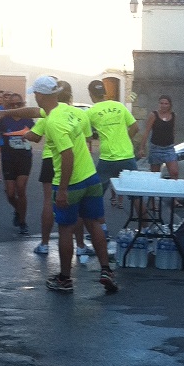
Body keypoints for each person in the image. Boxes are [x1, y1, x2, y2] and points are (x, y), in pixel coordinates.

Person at [29, 75, 117, 295]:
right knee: (94, 223)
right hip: (91, 176)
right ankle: (106, 271)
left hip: (71, 182)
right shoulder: (78, 112)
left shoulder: (52, 122)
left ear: (41, 95)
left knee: (66, 229)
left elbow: (67, 155)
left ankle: (65, 279)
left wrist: (64, 189)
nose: (35, 98)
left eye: (35, 94)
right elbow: (87, 139)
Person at [86, 79, 139, 202]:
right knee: (136, 195)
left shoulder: (90, 112)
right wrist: (126, 138)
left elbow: (87, 137)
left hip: (108, 158)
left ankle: (98, 221)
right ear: (104, 92)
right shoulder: (119, 106)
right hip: (127, 155)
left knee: (96, 194)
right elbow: (135, 127)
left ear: (91, 94)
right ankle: (144, 221)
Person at [0, 91, 36, 236]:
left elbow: (37, 137)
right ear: (9, 106)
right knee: (10, 194)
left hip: (24, 157)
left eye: (19, 104)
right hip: (8, 158)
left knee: (21, 189)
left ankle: (23, 222)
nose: (16, 106)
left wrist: (30, 136)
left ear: (23, 105)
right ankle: (18, 210)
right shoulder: (4, 120)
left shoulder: (28, 120)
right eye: (13, 104)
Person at [140, 95, 178, 180]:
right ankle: (156, 192)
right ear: (159, 104)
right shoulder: (153, 115)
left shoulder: (173, 115)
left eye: (166, 104)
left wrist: (173, 142)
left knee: (174, 172)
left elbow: (173, 130)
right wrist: (142, 148)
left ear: (170, 105)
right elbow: (147, 131)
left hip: (169, 148)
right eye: (161, 103)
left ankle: (173, 191)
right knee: (155, 175)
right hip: (156, 148)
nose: (163, 106)